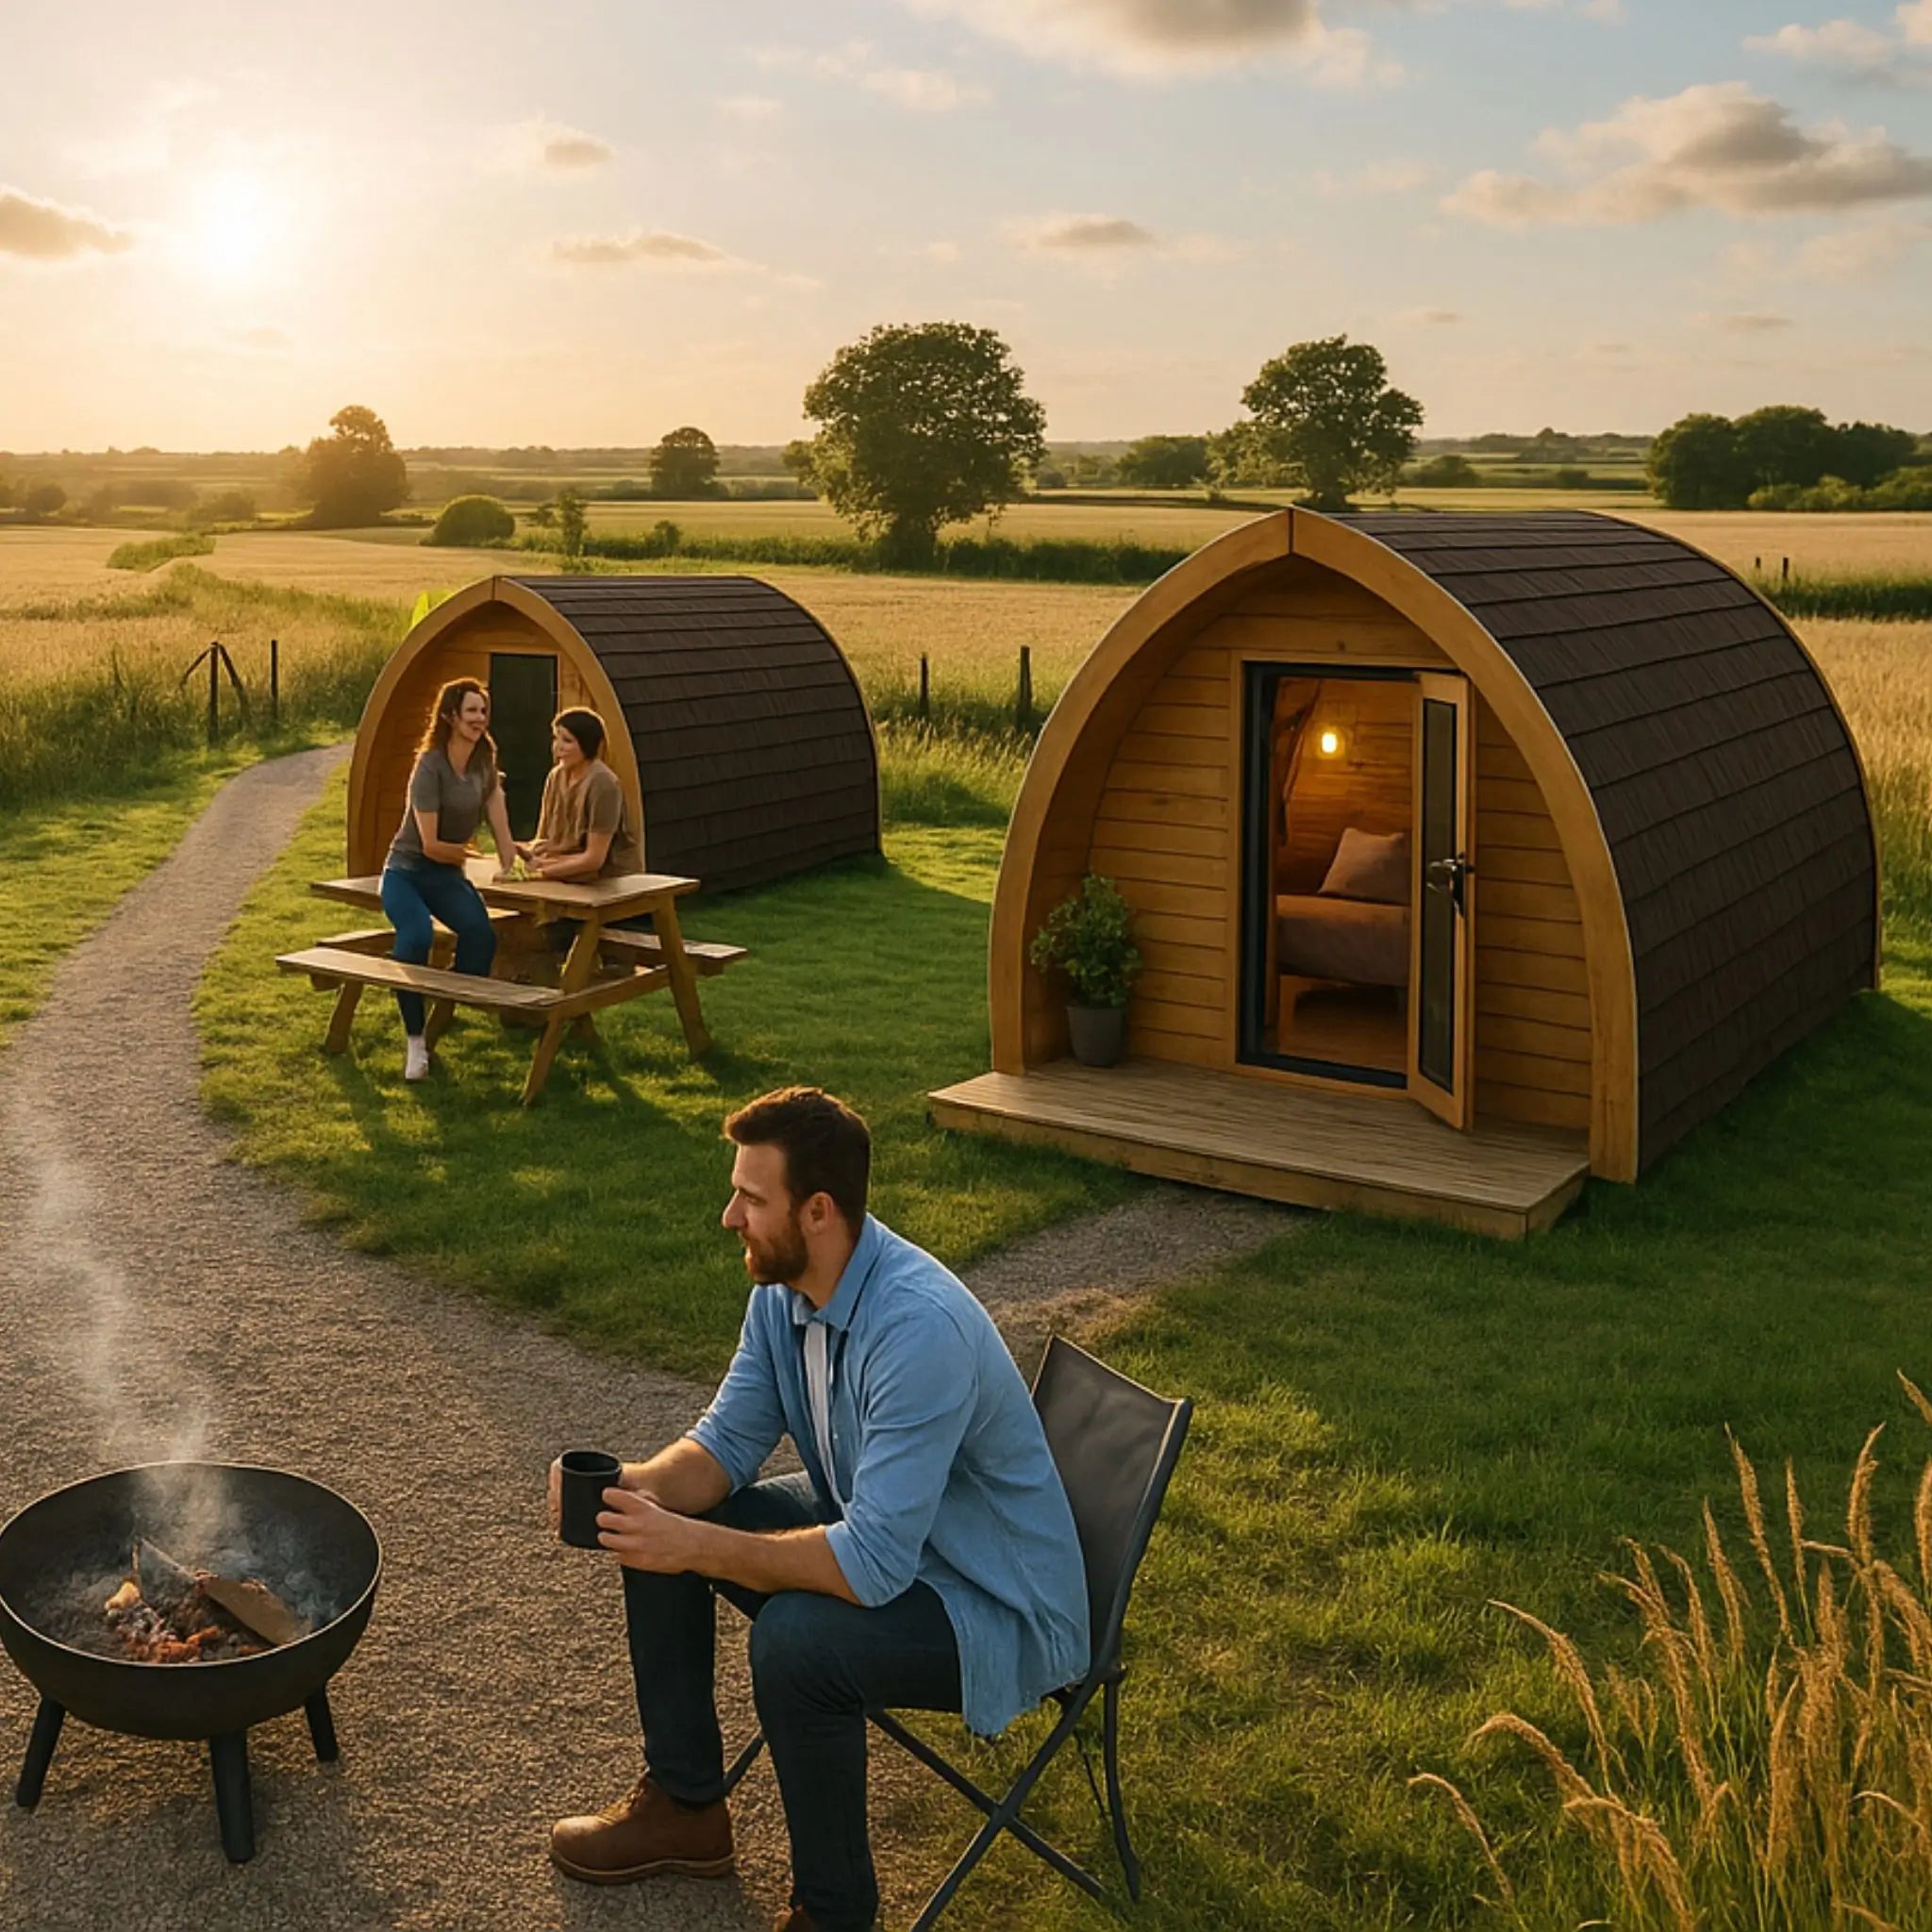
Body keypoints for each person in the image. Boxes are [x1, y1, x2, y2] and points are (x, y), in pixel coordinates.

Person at [545, 1088, 1090, 1932]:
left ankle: (835, 1914)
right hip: (893, 1534)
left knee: (796, 1644)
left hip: (995, 1601)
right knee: (651, 1532)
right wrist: (631, 1487)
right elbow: (725, 1447)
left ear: (820, 1210)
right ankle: (687, 1809)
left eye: (751, 1199)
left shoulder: (917, 1330)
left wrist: (693, 1543)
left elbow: (871, 1568)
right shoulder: (785, 1287)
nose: (731, 1217)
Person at [378, 677, 519, 1082]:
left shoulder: (484, 764)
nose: (480, 718)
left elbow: (501, 826)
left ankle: (442, 1002)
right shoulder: (430, 765)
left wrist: (516, 863)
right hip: (407, 872)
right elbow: (431, 845)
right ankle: (416, 1041)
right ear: (450, 716)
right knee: (416, 936)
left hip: (445, 876)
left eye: (483, 711)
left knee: (481, 935)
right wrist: (470, 854)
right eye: (471, 711)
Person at [522, 708, 643, 881]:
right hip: (561, 867)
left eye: (567, 741)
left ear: (586, 745)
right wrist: (524, 853)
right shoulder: (555, 776)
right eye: (556, 738)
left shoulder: (603, 783)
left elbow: (594, 859)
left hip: (606, 878)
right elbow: (543, 840)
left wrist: (542, 870)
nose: (558, 747)